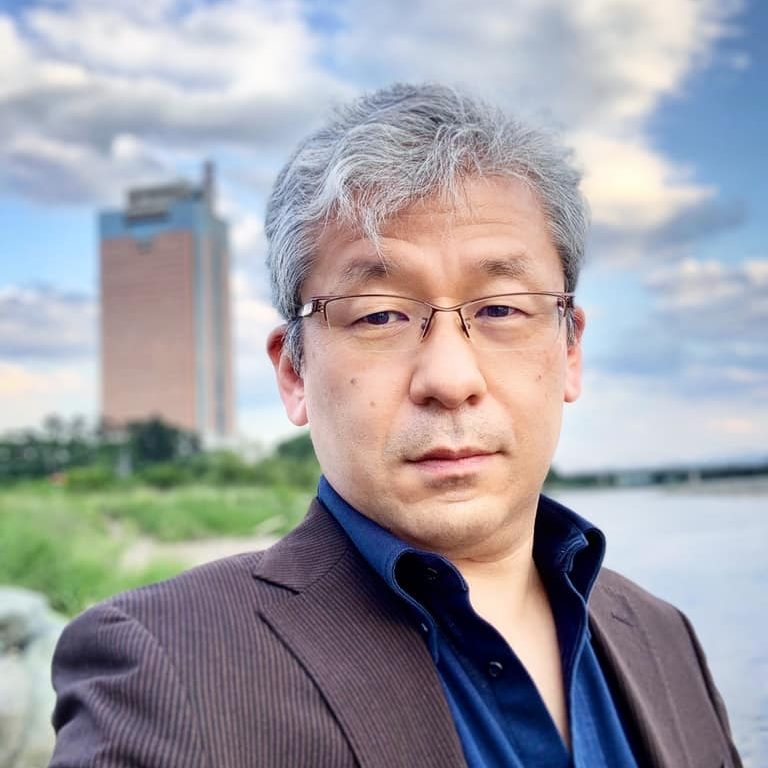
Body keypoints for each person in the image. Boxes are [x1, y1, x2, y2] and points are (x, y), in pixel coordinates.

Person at [49, 83, 741, 768]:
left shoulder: (661, 636)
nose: (450, 379)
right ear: (294, 373)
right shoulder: (166, 668)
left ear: (569, 352)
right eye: (379, 314)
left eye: (501, 309)